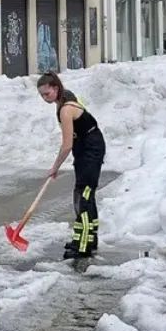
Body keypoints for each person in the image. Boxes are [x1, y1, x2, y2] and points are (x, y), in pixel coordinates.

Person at [38, 72, 106, 260]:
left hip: (90, 150)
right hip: (85, 148)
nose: (45, 98)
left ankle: (84, 247)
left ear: (56, 88)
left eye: (47, 94)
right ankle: (88, 239)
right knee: (83, 194)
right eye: (42, 95)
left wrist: (55, 167)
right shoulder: (64, 99)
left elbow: (67, 144)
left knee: (83, 196)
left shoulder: (66, 109)